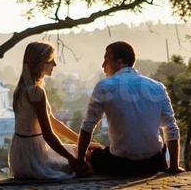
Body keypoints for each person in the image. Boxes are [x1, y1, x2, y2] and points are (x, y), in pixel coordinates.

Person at [76, 41, 183, 176]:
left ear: (119, 62)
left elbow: (88, 127)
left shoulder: (104, 86)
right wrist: (174, 166)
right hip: (154, 163)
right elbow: (171, 128)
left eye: (106, 60)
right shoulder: (157, 87)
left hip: (119, 164)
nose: (103, 65)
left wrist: (80, 161)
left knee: (92, 154)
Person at [7, 41, 85, 181]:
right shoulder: (36, 92)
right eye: (51, 60)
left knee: (77, 150)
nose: (54, 64)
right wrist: (71, 159)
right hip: (33, 158)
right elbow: (48, 135)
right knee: (84, 161)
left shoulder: (22, 89)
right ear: (40, 63)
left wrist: (82, 142)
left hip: (21, 156)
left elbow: (53, 123)